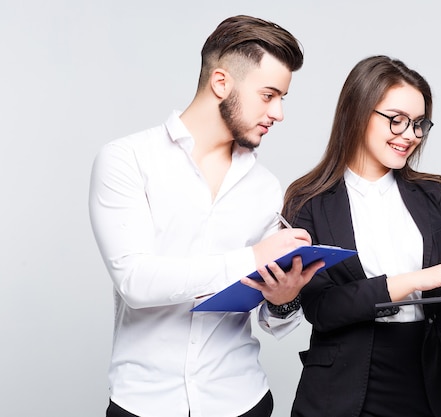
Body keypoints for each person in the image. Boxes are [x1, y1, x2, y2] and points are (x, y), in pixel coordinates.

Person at [89, 15, 323, 417]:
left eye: (282, 98)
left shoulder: (265, 186)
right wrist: (252, 257)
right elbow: (135, 282)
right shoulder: (127, 160)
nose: (279, 113)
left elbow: (273, 319)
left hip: (242, 400)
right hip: (144, 403)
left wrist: (284, 299)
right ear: (221, 83)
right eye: (269, 95)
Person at [282, 55, 441, 417]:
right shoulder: (309, 202)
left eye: (418, 124)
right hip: (342, 390)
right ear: (357, 112)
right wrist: (417, 279)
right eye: (396, 121)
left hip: (430, 384)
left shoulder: (435, 195)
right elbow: (323, 310)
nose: (410, 136)